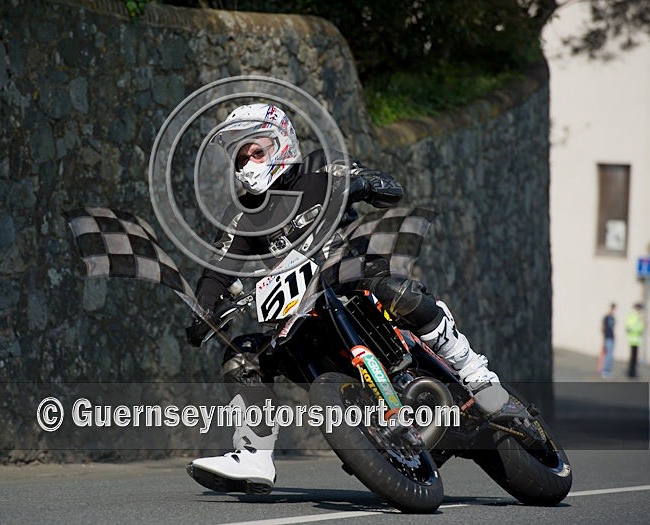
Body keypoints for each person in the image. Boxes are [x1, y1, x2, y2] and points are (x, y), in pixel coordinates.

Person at [184, 103, 509, 495]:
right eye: (240, 159)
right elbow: (218, 268)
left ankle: (475, 373)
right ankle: (254, 454)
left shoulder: (321, 166)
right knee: (242, 357)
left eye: (256, 151)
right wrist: (205, 308)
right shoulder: (243, 214)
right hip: (301, 313)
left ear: (281, 142)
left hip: (353, 280)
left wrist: (364, 184)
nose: (249, 164)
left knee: (397, 290)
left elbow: (388, 187)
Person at [626, 302, 645, 378]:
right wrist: (640, 328)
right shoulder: (633, 316)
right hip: (633, 339)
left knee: (634, 358)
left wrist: (642, 327)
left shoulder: (638, 316)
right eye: (640, 309)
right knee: (633, 358)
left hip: (636, 340)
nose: (640, 310)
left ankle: (633, 372)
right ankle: (631, 373)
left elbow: (641, 327)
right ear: (637, 308)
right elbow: (630, 327)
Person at [598, 303, 616, 379]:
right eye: (612, 309)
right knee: (607, 355)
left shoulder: (613, 318)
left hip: (612, 338)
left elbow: (612, 328)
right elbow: (602, 328)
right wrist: (604, 338)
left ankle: (608, 370)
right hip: (607, 338)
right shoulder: (606, 317)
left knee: (610, 356)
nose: (613, 311)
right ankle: (604, 371)